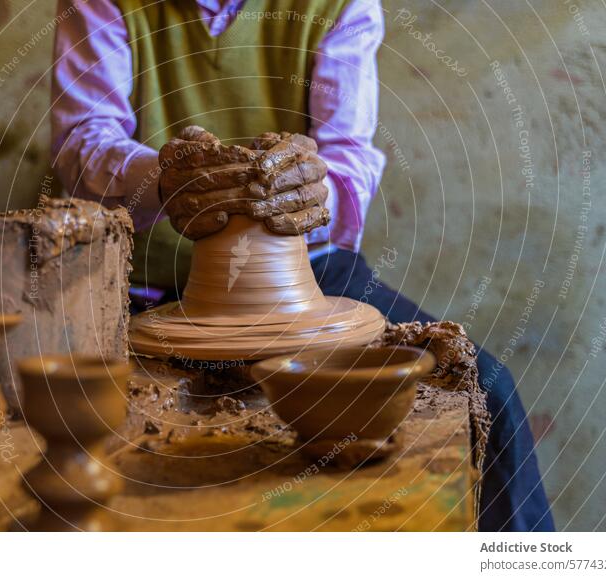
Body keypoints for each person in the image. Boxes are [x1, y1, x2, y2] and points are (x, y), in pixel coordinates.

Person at [50, 0, 554, 532]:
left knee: (487, 390)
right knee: (56, 413)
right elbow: (82, 140)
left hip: (313, 275)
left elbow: (347, 157)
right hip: (146, 288)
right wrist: (165, 179)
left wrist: (311, 188)